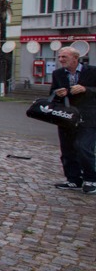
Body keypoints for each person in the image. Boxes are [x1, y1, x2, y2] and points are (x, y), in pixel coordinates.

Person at [49, 46, 96, 193]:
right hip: (66, 117)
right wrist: (58, 93)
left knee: (83, 146)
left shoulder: (92, 71)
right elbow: (52, 93)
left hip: (89, 117)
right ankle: (73, 179)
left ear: (75, 58)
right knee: (67, 149)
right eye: (59, 57)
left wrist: (86, 89)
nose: (61, 60)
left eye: (64, 57)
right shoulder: (58, 74)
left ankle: (91, 179)